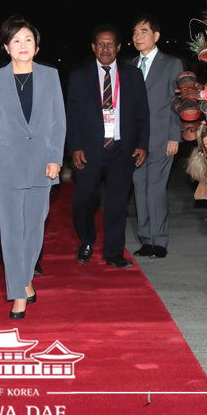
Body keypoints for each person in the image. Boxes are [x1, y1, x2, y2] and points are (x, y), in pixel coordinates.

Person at [0, 16, 64, 318]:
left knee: (35, 228)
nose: (23, 45)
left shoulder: (50, 76)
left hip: (42, 163)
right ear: (6, 46)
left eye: (28, 40)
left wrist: (55, 157)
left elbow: (58, 121)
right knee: (12, 231)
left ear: (36, 46)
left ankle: (24, 278)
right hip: (7, 163)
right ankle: (18, 292)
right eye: (16, 40)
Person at [66, 27, 149, 268]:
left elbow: (143, 114)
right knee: (84, 200)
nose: (105, 49)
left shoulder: (133, 75)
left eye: (110, 44)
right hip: (89, 150)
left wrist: (142, 144)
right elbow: (71, 115)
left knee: (117, 203)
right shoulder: (79, 76)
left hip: (122, 149)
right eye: (100, 44)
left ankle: (114, 252)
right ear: (93, 47)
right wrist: (74, 148)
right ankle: (87, 239)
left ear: (119, 47)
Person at [130, 15, 182, 258]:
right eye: (135, 33)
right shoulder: (129, 66)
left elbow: (176, 102)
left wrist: (175, 136)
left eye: (143, 32)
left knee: (156, 189)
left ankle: (159, 241)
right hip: (134, 141)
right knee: (139, 189)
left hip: (162, 137)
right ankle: (146, 239)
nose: (137, 37)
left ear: (156, 36)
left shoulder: (171, 64)